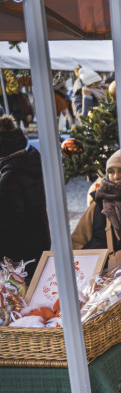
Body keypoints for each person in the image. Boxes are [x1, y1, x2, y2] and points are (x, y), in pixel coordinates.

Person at [0, 115, 49, 277]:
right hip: (40, 241)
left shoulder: (10, 178)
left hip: (21, 256)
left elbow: (11, 227)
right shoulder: (30, 160)